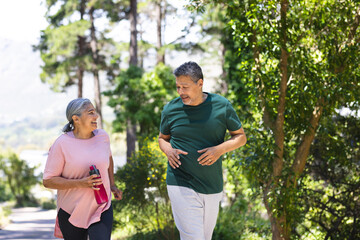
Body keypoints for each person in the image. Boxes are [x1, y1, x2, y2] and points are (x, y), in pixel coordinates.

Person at [158, 61, 247, 240]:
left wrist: (219, 150)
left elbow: (241, 137)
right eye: (178, 87)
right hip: (180, 180)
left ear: (200, 83)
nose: (181, 92)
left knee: (204, 237)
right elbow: (162, 138)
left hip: (211, 184)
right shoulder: (171, 109)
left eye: (185, 87)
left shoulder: (221, 106)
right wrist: (168, 151)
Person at [43, 98, 123, 240]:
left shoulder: (102, 137)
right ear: (76, 119)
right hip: (71, 211)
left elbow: (108, 158)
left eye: (95, 112)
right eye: (90, 112)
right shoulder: (61, 144)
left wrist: (112, 184)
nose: (96, 116)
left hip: (101, 207)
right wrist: (81, 183)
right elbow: (48, 181)